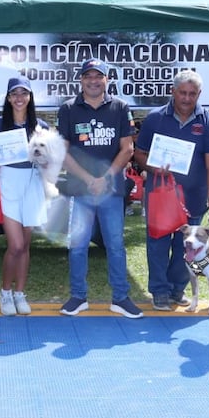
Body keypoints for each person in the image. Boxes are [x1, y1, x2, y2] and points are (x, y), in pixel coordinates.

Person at [57, 58, 143, 318]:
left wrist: (104, 178)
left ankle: (120, 297)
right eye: (88, 76)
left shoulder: (120, 107)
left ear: (107, 80)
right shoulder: (69, 109)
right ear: (81, 79)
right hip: (81, 190)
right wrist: (88, 179)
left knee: (115, 245)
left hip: (111, 190)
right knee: (78, 245)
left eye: (99, 76)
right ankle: (78, 296)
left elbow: (127, 148)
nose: (93, 81)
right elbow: (63, 151)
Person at [134, 69, 209, 310]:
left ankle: (177, 289)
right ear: (173, 91)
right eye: (182, 92)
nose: (186, 98)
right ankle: (160, 292)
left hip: (193, 197)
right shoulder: (155, 118)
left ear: (199, 94)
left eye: (192, 94)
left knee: (188, 246)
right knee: (158, 245)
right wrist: (154, 167)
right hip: (160, 195)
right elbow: (139, 154)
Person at [0, 76, 50, 316]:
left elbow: (50, 161)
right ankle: (5, 291)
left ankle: (20, 292)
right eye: (15, 94)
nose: (19, 98)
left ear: (30, 97)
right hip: (8, 182)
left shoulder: (41, 126)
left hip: (32, 183)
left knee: (26, 245)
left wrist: (46, 159)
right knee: (16, 244)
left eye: (24, 93)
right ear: (9, 98)